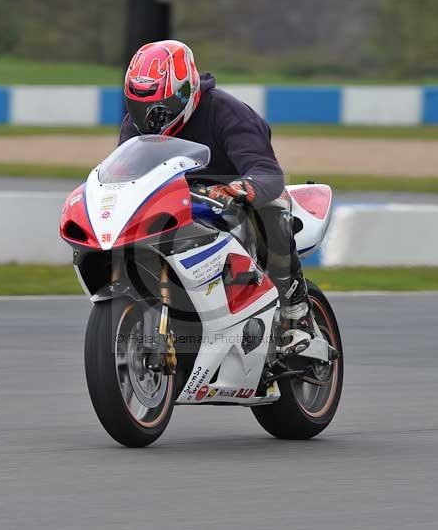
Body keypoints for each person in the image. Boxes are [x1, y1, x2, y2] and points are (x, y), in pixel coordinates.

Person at [118, 40, 316, 355]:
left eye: (158, 109)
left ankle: (296, 312)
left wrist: (235, 189)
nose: (150, 119)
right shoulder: (135, 127)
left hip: (234, 203)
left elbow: (268, 174)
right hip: (179, 207)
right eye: (139, 108)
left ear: (185, 92)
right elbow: (127, 177)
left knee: (270, 211)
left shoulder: (228, 113)